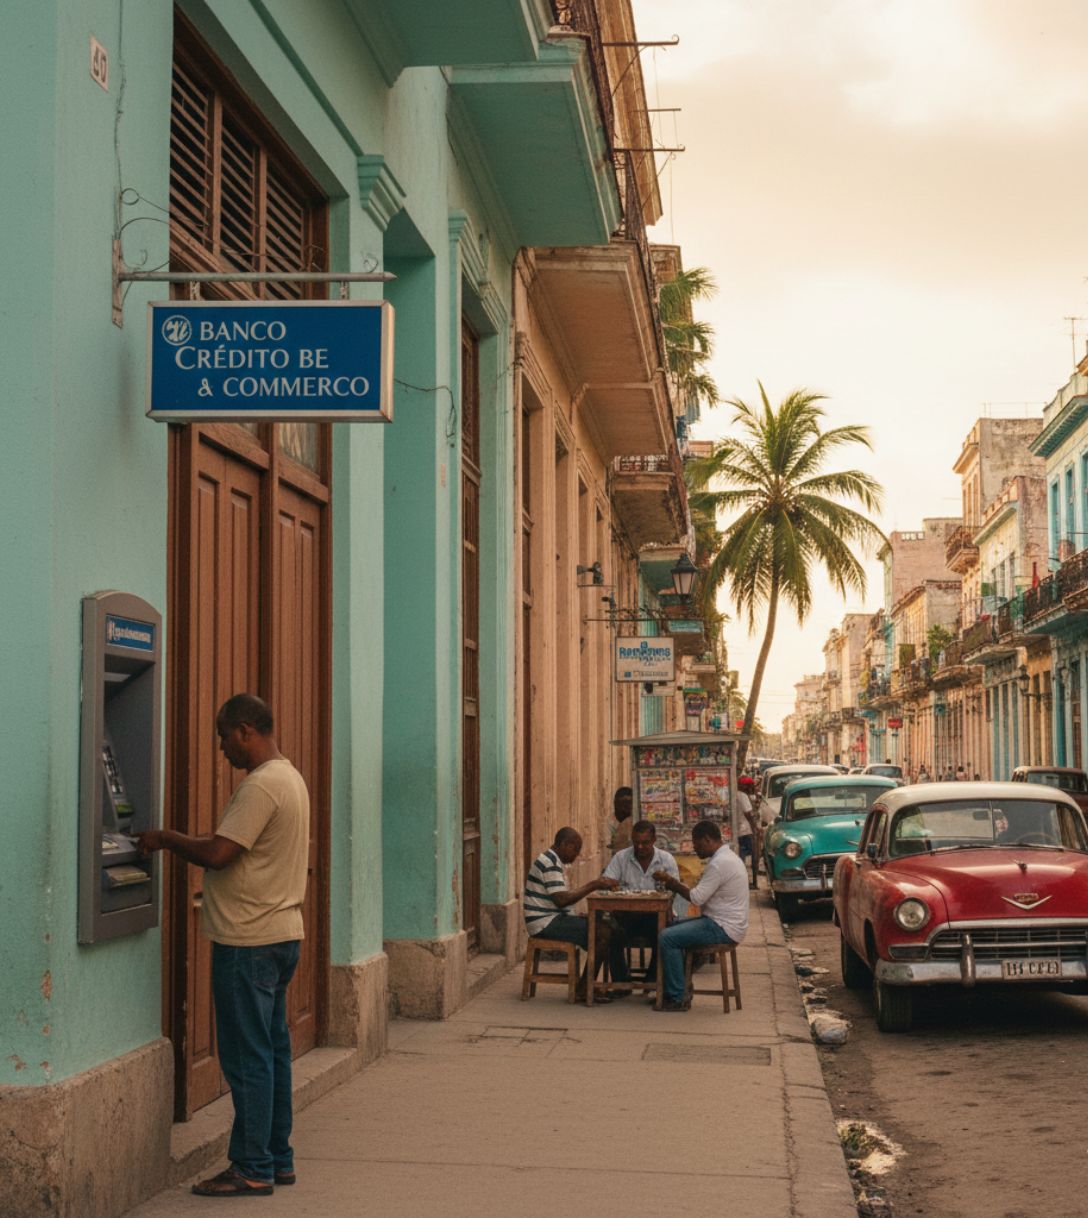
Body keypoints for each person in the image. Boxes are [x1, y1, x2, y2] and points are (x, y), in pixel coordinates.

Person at [135, 693, 309, 1196]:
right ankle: (278, 1158)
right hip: (279, 935)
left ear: (247, 731)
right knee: (272, 1051)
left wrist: (165, 838)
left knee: (246, 1057)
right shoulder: (291, 778)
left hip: (248, 941)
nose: (221, 748)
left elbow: (218, 853)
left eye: (223, 736)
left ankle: (252, 1166)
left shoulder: (262, 786)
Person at [652, 820, 749, 1011]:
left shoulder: (719, 864)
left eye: (696, 844)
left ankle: (677, 996)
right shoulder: (726, 858)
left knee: (667, 937)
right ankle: (677, 984)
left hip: (722, 927)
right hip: (723, 922)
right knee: (670, 926)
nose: (694, 848)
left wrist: (671, 882)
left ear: (707, 840)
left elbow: (696, 898)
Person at [524, 827, 628, 998]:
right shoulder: (549, 862)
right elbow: (561, 899)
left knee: (605, 923)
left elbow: (558, 900)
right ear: (564, 844)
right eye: (575, 849)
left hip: (552, 918)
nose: (576, 855)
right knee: (603, 931)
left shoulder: (553, 861)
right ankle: (584, 987)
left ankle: (618, 981)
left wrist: (576, 916)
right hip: (544, 923)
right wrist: (593, 885)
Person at [736, 775, 759, 886]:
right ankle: (747, 882)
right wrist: (754, 827)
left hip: (739, 831)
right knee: (748, 856)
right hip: (744, 831)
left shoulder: (736, 794)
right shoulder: (742, 796)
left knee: (741, 857)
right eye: (750, 786)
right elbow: (748, 814)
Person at [609, 786, 634, 854]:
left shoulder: (628, 823)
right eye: (620, 805)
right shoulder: (611, 823)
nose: (623, 809)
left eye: (627, 804)